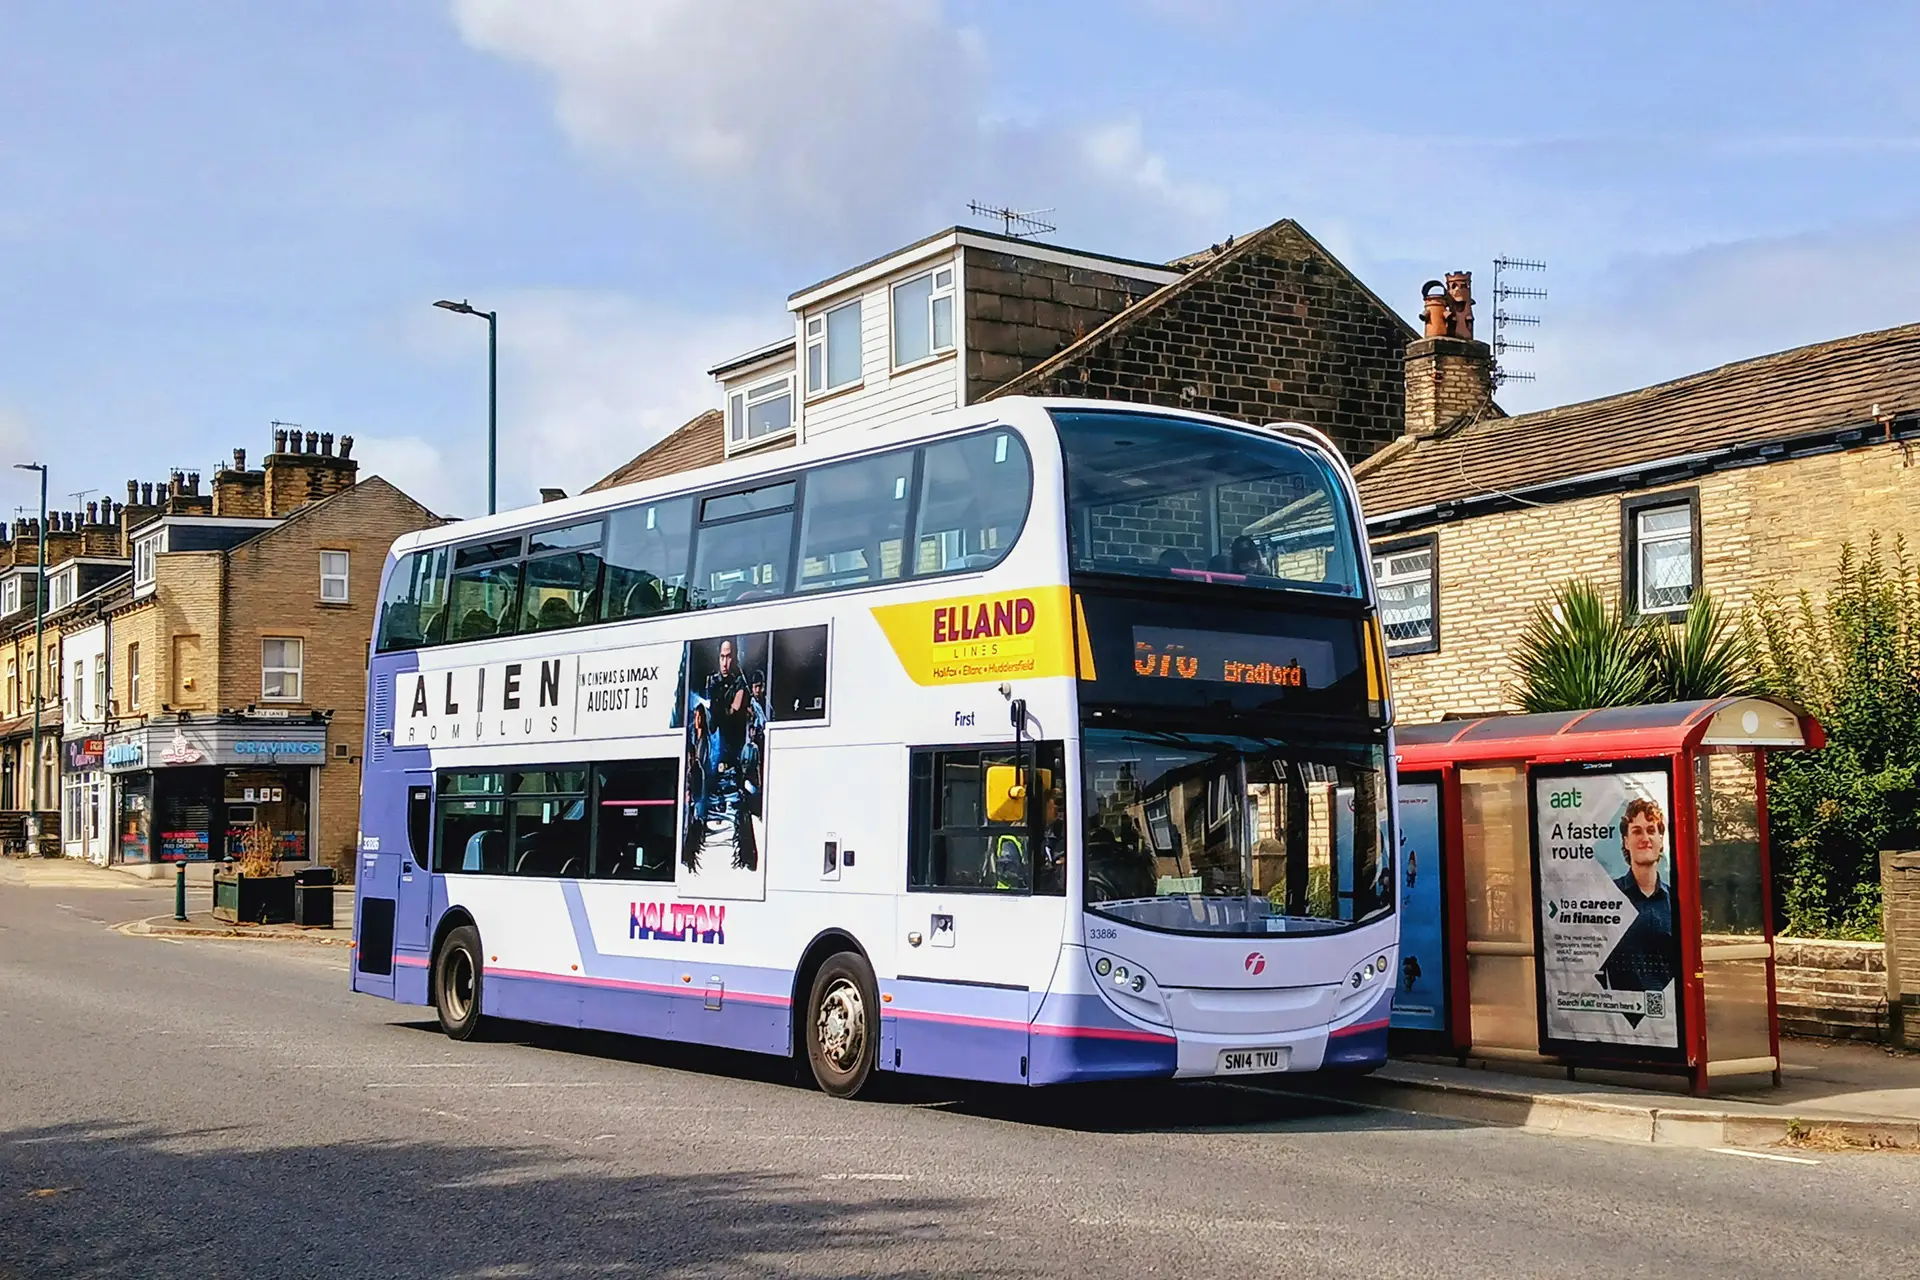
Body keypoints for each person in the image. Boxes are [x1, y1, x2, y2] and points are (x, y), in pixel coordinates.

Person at [1597, 796, 1676, 1003]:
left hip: (1667, 1020)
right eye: (1637, 831)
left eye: (1651, 830)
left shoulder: (1677, 903)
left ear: (1661, 841)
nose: (1645, 838)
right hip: (1618, 1019)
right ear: (1625, 841)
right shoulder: (1609, 896)